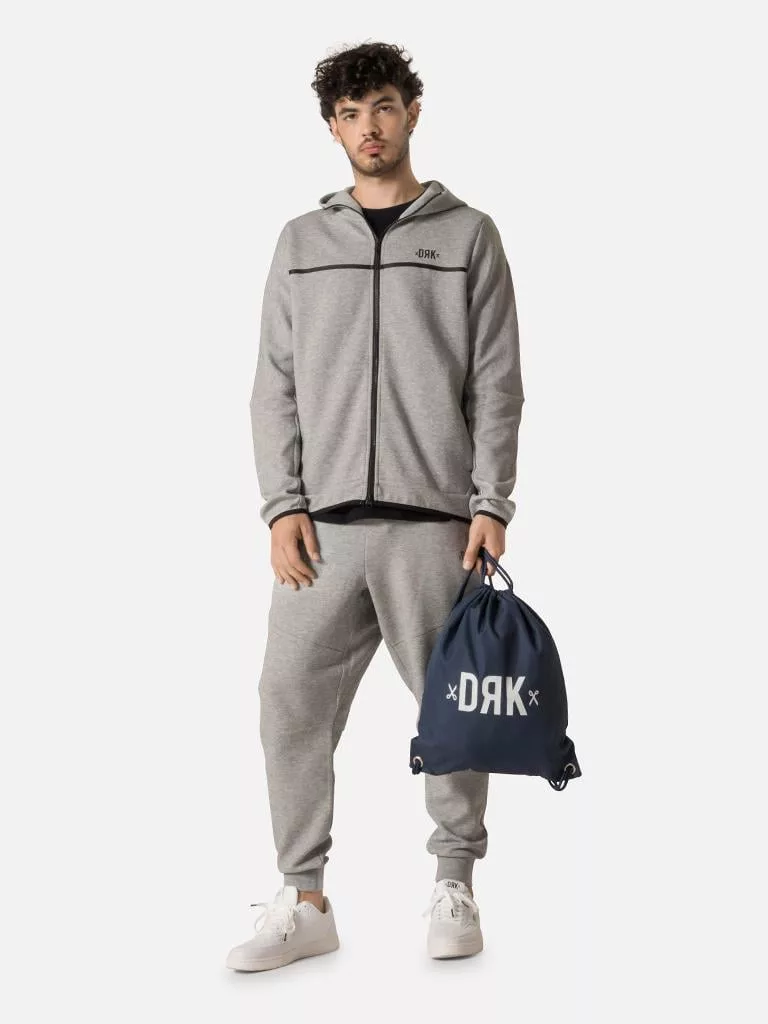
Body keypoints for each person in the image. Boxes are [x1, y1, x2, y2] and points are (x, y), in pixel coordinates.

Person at [226, 41, 524, 972]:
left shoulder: (468, 235)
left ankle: (455, 882)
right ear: (332, 127)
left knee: (452, 707)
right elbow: (274, 385)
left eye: (383, 107)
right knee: (287, 702)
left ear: (412, 112)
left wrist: (491, 501)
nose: (369, 127)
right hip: (320, 532)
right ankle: (304, 896)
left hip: (436, 527)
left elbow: (497, 380)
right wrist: (281, 505)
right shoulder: (301, 243)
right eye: (351, 114)